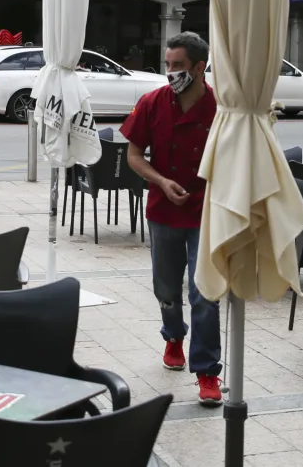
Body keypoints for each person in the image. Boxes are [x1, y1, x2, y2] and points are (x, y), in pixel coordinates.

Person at [121, 31, 223, 407]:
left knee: (205, 292)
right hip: (163, 210)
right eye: (168, 65)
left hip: (205, 213)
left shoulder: (221, 109)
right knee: (166, 288)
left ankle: (208, 371)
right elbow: (133, 155)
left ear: (199, 68)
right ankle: (173, 335)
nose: (171, 73)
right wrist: (162, 182)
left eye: (178, 66)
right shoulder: (152, 102)